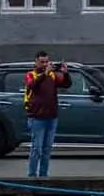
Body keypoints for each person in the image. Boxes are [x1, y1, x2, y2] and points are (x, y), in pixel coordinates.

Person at [23, 51, 70, 180]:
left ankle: (43, 175)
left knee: (47, 149)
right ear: (36, 62)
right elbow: (32, 85)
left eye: (46, 62)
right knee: (36, 148)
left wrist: (65, 73)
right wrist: (44, 73)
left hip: (51, 117)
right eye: (42, 62)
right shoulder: (31, 75)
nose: (44, 64)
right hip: (37, 117)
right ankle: (32, 175)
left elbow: (66, 84)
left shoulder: (52, 75)